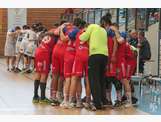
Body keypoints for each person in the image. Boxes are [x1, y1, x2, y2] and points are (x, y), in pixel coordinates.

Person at [79, 15, 109, 110]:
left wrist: (83, 32)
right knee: (101, 79)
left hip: (95, 55)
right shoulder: (104, 31)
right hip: (104, 56)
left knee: (93, 80)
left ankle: (97, 104)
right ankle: (103, 101)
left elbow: (82, 38)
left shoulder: (92, 26)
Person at [59, 18, 81, 108]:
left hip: (69, 55)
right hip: (76, 56)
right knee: (77, 79)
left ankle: (66, 100)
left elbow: (63, 38)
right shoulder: (79, 31)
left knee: (69, 79)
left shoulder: (73, 30)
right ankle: (77, 101)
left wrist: (61, 28)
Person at [33, 32, 56, 103]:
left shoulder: (47, 35)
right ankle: (42, 98)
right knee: (44, 74)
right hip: (44, 54)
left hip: (38, 51)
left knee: (38, 73)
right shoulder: (55, 38)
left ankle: (35, 96)